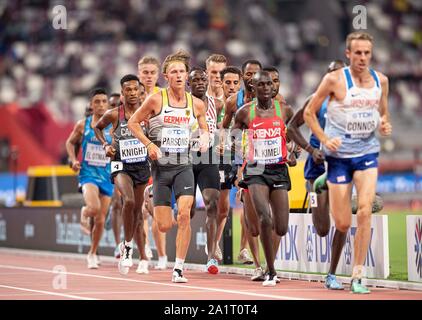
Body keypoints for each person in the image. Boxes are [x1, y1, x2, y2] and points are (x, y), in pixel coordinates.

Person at [304, 31, 392, 294]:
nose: (363, 57)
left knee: (364, 211)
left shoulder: (381, 81)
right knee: (342, 223)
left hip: (366, 154)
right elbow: (308, 113)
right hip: (339, 157)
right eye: (358, 53)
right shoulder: (333, 80)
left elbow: (383, 111)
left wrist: (385, 123)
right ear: (348, 54)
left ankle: (357, 276)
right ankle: (325, 181)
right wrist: (323, 139)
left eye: (367, 53)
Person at [127, 50, 209, 283]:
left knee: (184, 215)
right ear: (166, 76)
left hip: (183, 164)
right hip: (161, 169)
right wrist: (149, 144)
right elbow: (133, 122)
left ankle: (178, 268)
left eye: (182, 71)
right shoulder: (156, 100)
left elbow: (205, 129)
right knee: (163, 226)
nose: (179, 75)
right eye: (174, 72)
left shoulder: (197, 104)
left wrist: (204, 139)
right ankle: (151, 197)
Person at [287, 60, 346, 289]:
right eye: (331, 74)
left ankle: (331, 274)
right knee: (322, 229)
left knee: (341, 222)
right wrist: (312, 150)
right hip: (317, 167)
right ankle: (328, 197)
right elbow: (291, 128)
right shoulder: (315, 100)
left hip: (341, 164)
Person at [231, 71, 294, 286]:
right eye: (261, 85)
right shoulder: (244, 112)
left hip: (278, 170)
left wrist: (293, 152)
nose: (267, 88)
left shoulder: (284, 109)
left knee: (282, 226)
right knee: (264, 218)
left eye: (270, 84)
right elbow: (233, 137)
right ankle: (271, 270)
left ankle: (269, 267)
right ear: (253, 87)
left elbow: (293, 134)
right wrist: (241, 149)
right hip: (255, 170)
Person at [94, 75, 150, 275]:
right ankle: (127, 247)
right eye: (128, 90)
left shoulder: (147, 112)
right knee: (128, 201)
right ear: (122, 91)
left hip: (142, 165)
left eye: (136, 89)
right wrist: (105, 144)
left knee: (137, 214)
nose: (132, 93)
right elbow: (97, 127)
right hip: (120, 163)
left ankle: (140, 253)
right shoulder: (114, 114)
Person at [216, 60, 263, 263]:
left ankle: (244, 249)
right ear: (244, 76)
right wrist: (226, 143)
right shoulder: (234, 101)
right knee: (232, 201)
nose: (252, 78)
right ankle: (219, 244)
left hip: (258, 156)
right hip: (234, 155)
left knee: (249, 202)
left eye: (256, 74)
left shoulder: (268, 97)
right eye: (249, 74)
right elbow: (224, 127)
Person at [65, 88, 113, 269]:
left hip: (107, 176)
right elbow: (69, 142)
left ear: (107, 104)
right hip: (88, 174)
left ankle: (92, 252)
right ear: (91, 105)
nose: (101, 105)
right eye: (97, 102)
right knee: (94, 207)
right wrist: (73, 159)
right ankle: (85, 212)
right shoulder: (83, 124)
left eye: (103, 101)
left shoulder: (113, 125)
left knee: (100, 219)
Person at [188, 67, 222, 274]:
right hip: (186, 158)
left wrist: (221, 141)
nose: (200, 82)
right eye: (196, 80)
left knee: (212, 203)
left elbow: (221, 127)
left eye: (203, 79)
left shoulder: (216, 104)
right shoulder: (181, 104)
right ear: (189, 84)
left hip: (208, 157)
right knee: (188, 209)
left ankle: (211, 257)